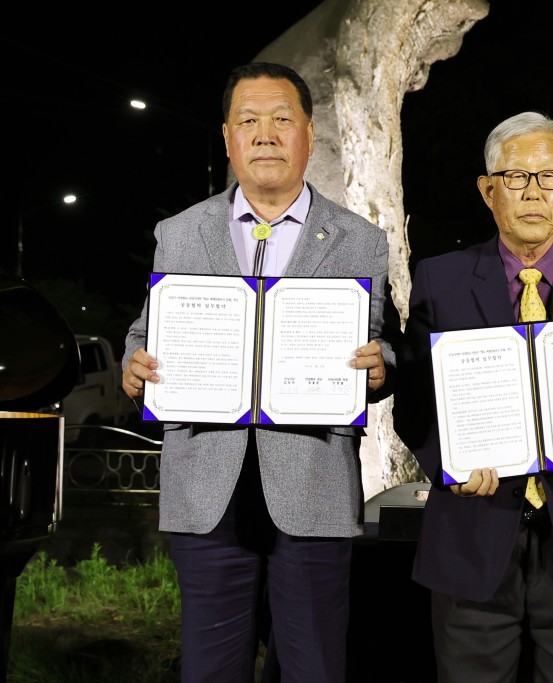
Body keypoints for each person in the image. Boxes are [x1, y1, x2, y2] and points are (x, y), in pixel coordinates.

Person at [121, 61, 400, 682]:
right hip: (205, 489)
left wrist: (382, 366)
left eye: (281, 119)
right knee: (209, 669)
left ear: (309, 134)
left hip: (313, 485)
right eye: (249, 121)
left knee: (314, 668)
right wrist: (132, 365)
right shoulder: (180, 232)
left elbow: (383, 342)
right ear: (228, 138)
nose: (265, 134)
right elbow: (146, 332)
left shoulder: (359, 240)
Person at [393, 111, 553, 682]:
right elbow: (413, 401)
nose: (534, 192)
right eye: (516, 177)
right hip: (471, 535)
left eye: (549, 177)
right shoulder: (440, 279)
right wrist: (449, 467)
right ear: (488, 191)